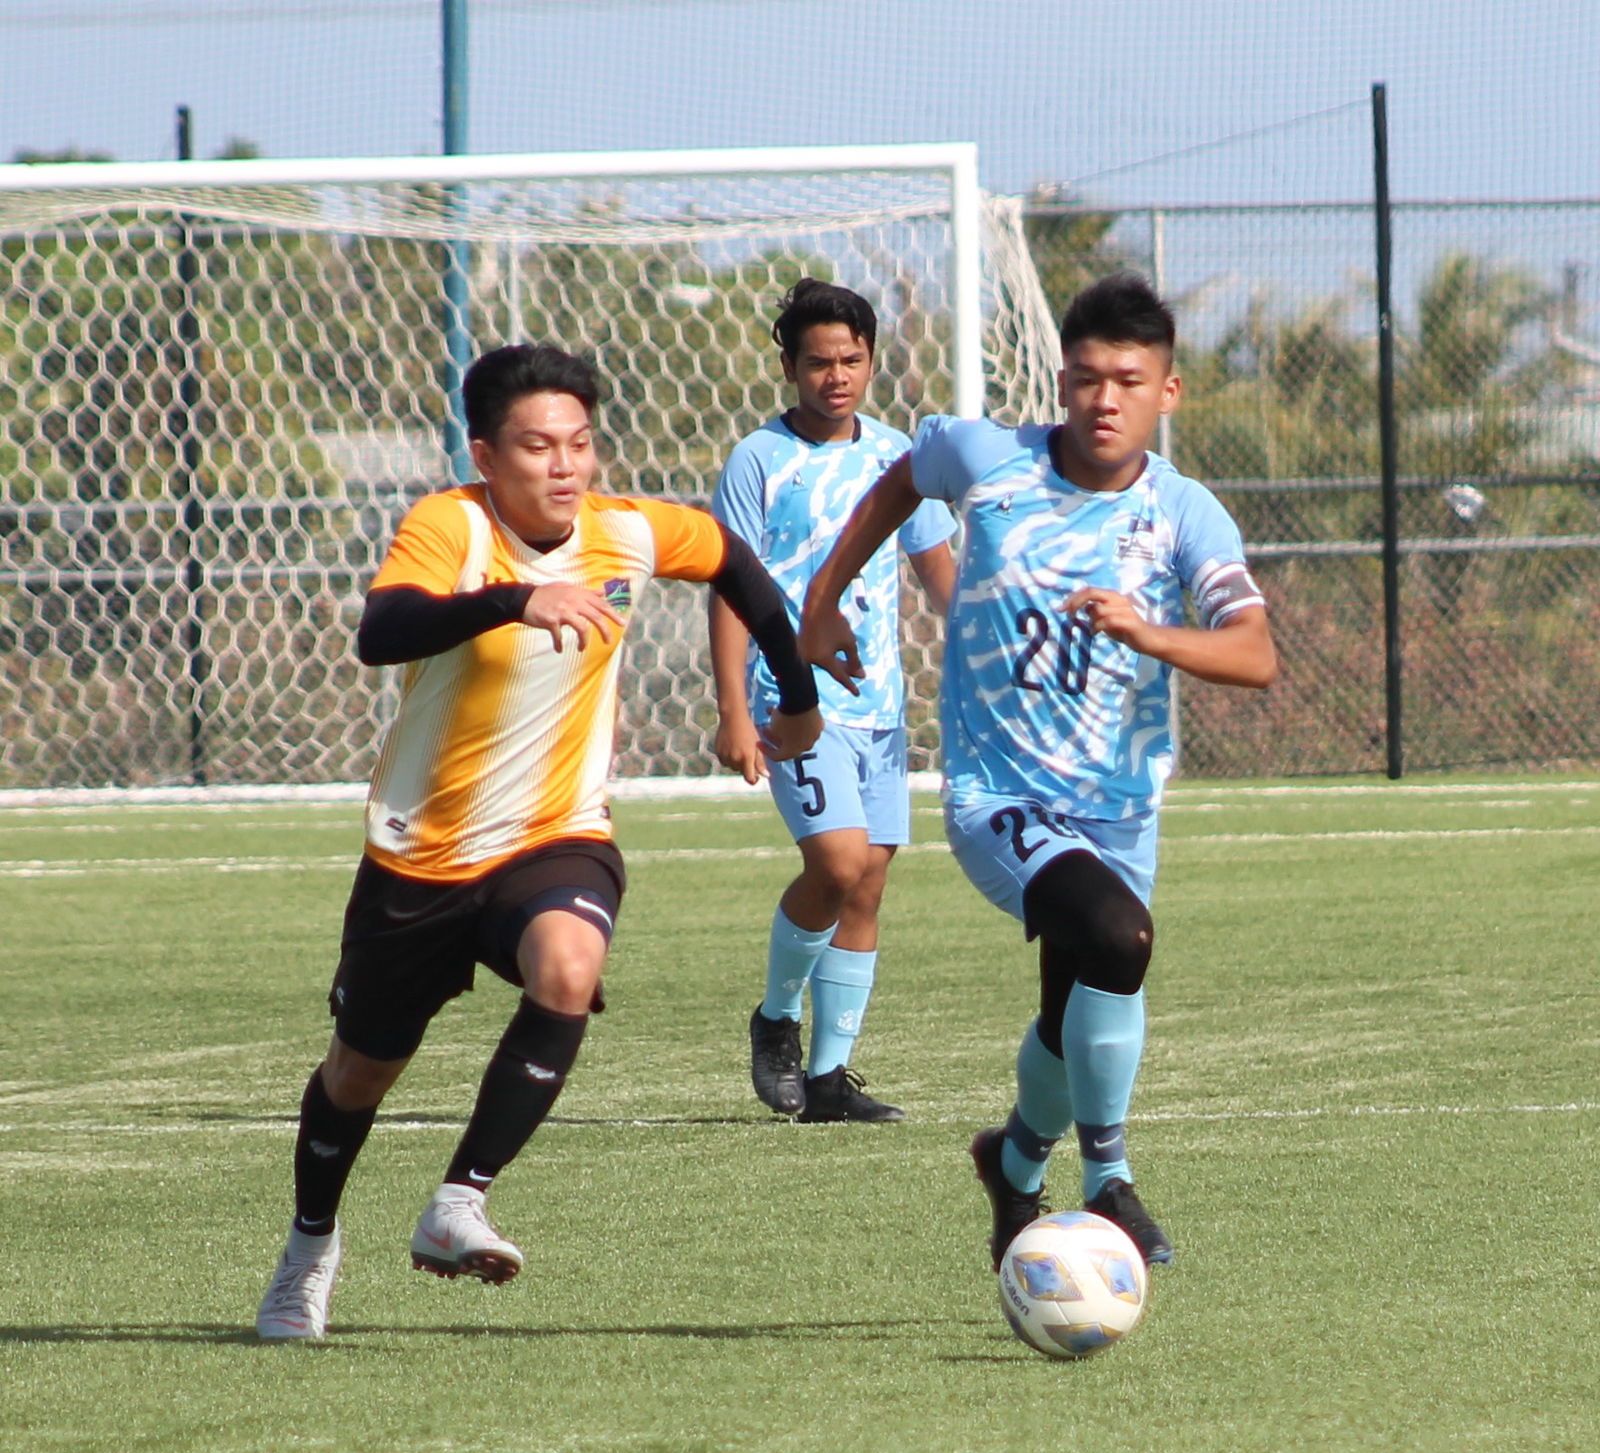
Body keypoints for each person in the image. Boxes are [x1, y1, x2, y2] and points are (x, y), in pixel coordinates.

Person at [256, 342, 821, 1341]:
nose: (564, 466)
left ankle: (459, 1200)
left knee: (568, 968)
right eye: (536, 446)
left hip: (557, 835)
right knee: (358, 1074)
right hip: (420, 857)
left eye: (580, 443)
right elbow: (382, 629)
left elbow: (737, 566)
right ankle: (309, 1247)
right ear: (485, 453)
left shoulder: (628, 534)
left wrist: (799, 697)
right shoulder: (452, 525)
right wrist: (516, 600)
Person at [799, 272, 1277, 1265]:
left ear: (1167, 393)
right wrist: (825, 597)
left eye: (1130, 380)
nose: (1106, 399)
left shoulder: (1184, 515)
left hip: (1118, 808)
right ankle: (1110, 1181)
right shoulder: (987, 457)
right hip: (998, 795)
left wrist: (1150, 633)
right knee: (1119, 937)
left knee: (1079, 1000)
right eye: (1089, 377)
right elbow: (899, 482)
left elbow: (1253, 654)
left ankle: (1013, 1166)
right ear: (1061, 380)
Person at [709, 278, 956, 1123]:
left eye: (852, 359)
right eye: (818, 362)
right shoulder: (759, 459)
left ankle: (827, 1079)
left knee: (871, 879)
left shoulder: (897, 455)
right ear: (788, 366)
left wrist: (985, 648)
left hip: (880, 704)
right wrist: (734, 711)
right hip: (793, 700)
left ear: (873, 360)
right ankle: (776, 1021)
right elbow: (727, 584)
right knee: (838, 862)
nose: (836, 376)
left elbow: (937, 569)